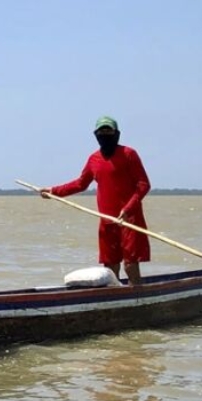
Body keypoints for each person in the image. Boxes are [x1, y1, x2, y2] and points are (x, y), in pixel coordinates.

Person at [40, 116, 151, 285]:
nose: (105, 134)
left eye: (109, 130)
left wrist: (128, 209)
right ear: (96, 134)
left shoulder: (128, 154)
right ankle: (113, 299)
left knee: (130, 265)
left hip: (130, 219)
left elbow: (143, 184)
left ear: (117, 133)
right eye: (102, 131)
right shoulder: (94, 159)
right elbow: (80, 183)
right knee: (109, 268)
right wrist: (54, 191)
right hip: (107, 220)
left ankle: (137, 296)